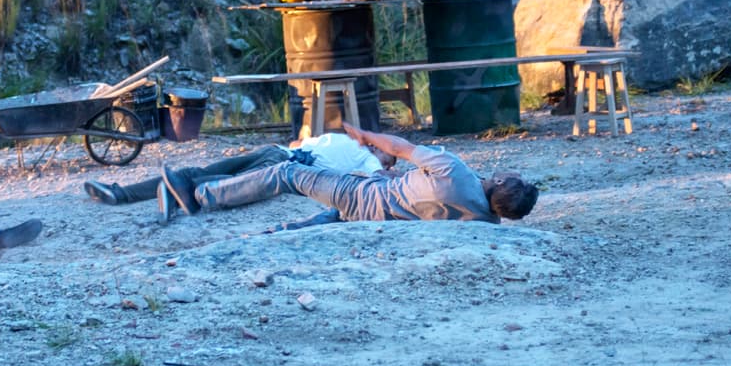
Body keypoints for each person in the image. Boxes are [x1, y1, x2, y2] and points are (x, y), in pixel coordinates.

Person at [159, 122, 538, 228]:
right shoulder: (486, 221)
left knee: (287, 171)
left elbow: (401, 147)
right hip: (376, 214)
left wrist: (365, 136)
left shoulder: (455, 169)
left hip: (359, 198)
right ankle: (285, 232)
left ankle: (197, 196)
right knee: (326, 205)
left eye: (510, 173)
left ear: (502, 183)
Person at [82, 131, 398, 208]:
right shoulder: (354, 145)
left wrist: (395, 171)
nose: (387, 158)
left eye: (391, 157)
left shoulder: (367, 162)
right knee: (202, 171)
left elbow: (379, 179)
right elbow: (302, 139)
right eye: (389, 154)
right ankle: (123, 193)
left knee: (218, 179)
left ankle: (126, 195)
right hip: (276, 153)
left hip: (284, 162)